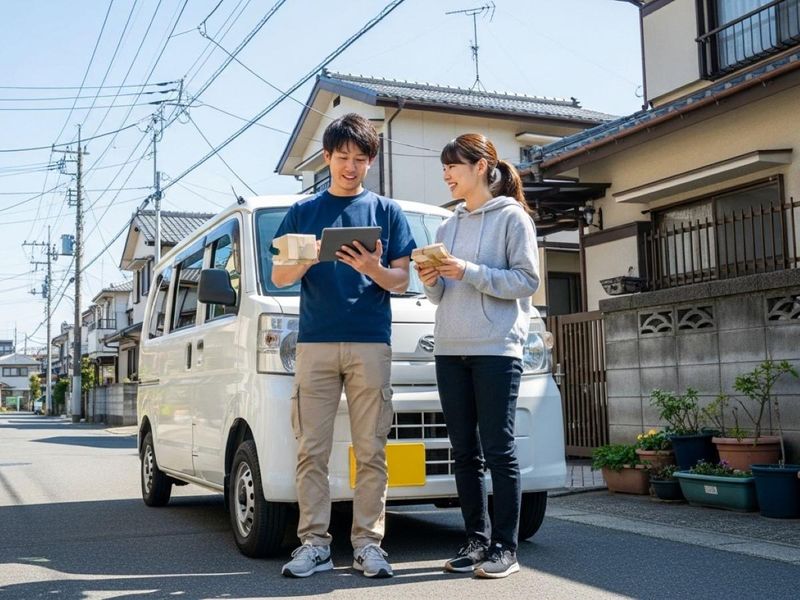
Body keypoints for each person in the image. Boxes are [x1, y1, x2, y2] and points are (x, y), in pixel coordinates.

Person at [272, 112, 416, 579]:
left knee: (370, 447)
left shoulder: (387, 212)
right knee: (311, 448)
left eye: (359, 158)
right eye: (342, 158)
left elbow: (400, 280)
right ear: (328, 158)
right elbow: (279, 276)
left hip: (370, 341)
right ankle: (314, 543)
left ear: (370, 161)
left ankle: (368, 545)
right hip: (314, 342)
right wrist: (310, 255)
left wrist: (372, 268)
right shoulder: (302, 212)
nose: (350, 166)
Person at [416, 133, 539, 579]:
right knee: (464, 452)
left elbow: (526, 281)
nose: (447, 174)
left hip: (495, 349)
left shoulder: (513, 219)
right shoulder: (447, 226)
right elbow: (440, 296)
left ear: (483, 167)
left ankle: (506, 547)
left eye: (454, 166)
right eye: (444, 167)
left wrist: (468, 271)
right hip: (450, 348)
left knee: (498, 449)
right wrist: (430, 277)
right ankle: (476, 539)